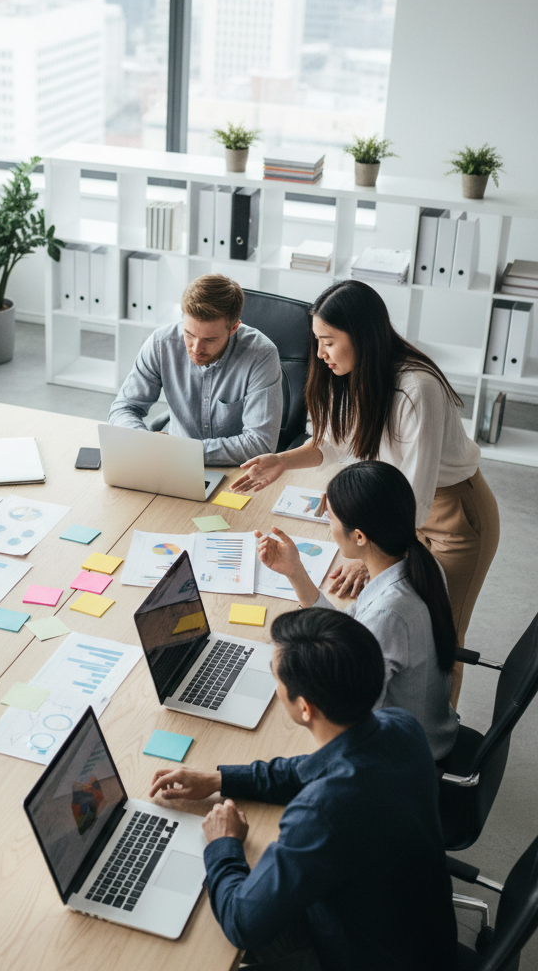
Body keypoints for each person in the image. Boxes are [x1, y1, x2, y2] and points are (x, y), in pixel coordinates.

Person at [232, 279, 499, 704]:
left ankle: (432, 743)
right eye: (317, 341)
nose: (319, 354)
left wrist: (376, 555)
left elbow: (418, 488)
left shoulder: (416, 388)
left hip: (453, 517)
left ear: (362, 336)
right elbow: (335, 443)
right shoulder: (355, 373)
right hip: (399, 508)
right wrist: (283, 460)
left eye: (329, 342)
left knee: (441, 632)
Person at [149, 608, 456, 971]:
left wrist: (224, 843)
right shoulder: (399, 726)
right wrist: (220, 779)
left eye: (275, 676)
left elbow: (243, 923)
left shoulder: (322, 814)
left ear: (305, 708)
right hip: (421, 934)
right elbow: (308, 770)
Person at [256, 461, 458, 759]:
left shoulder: (389, 614)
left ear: (360, 536)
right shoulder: (417, 563)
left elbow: (353, 717)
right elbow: (347, 629)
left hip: (404, 757)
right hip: (427, 729)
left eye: (332, 517)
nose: (328, 522)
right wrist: (295, 571)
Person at [108, 274, 283, 465]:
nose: (196, 348)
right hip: (171, 460)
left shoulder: (261, 355)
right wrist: (144, 441)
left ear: (233, 329)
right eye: (189, 334)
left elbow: (260, 444)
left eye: (210, 339)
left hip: (236, 468)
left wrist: (181, 450)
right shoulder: (161, 343)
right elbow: (124, 408)